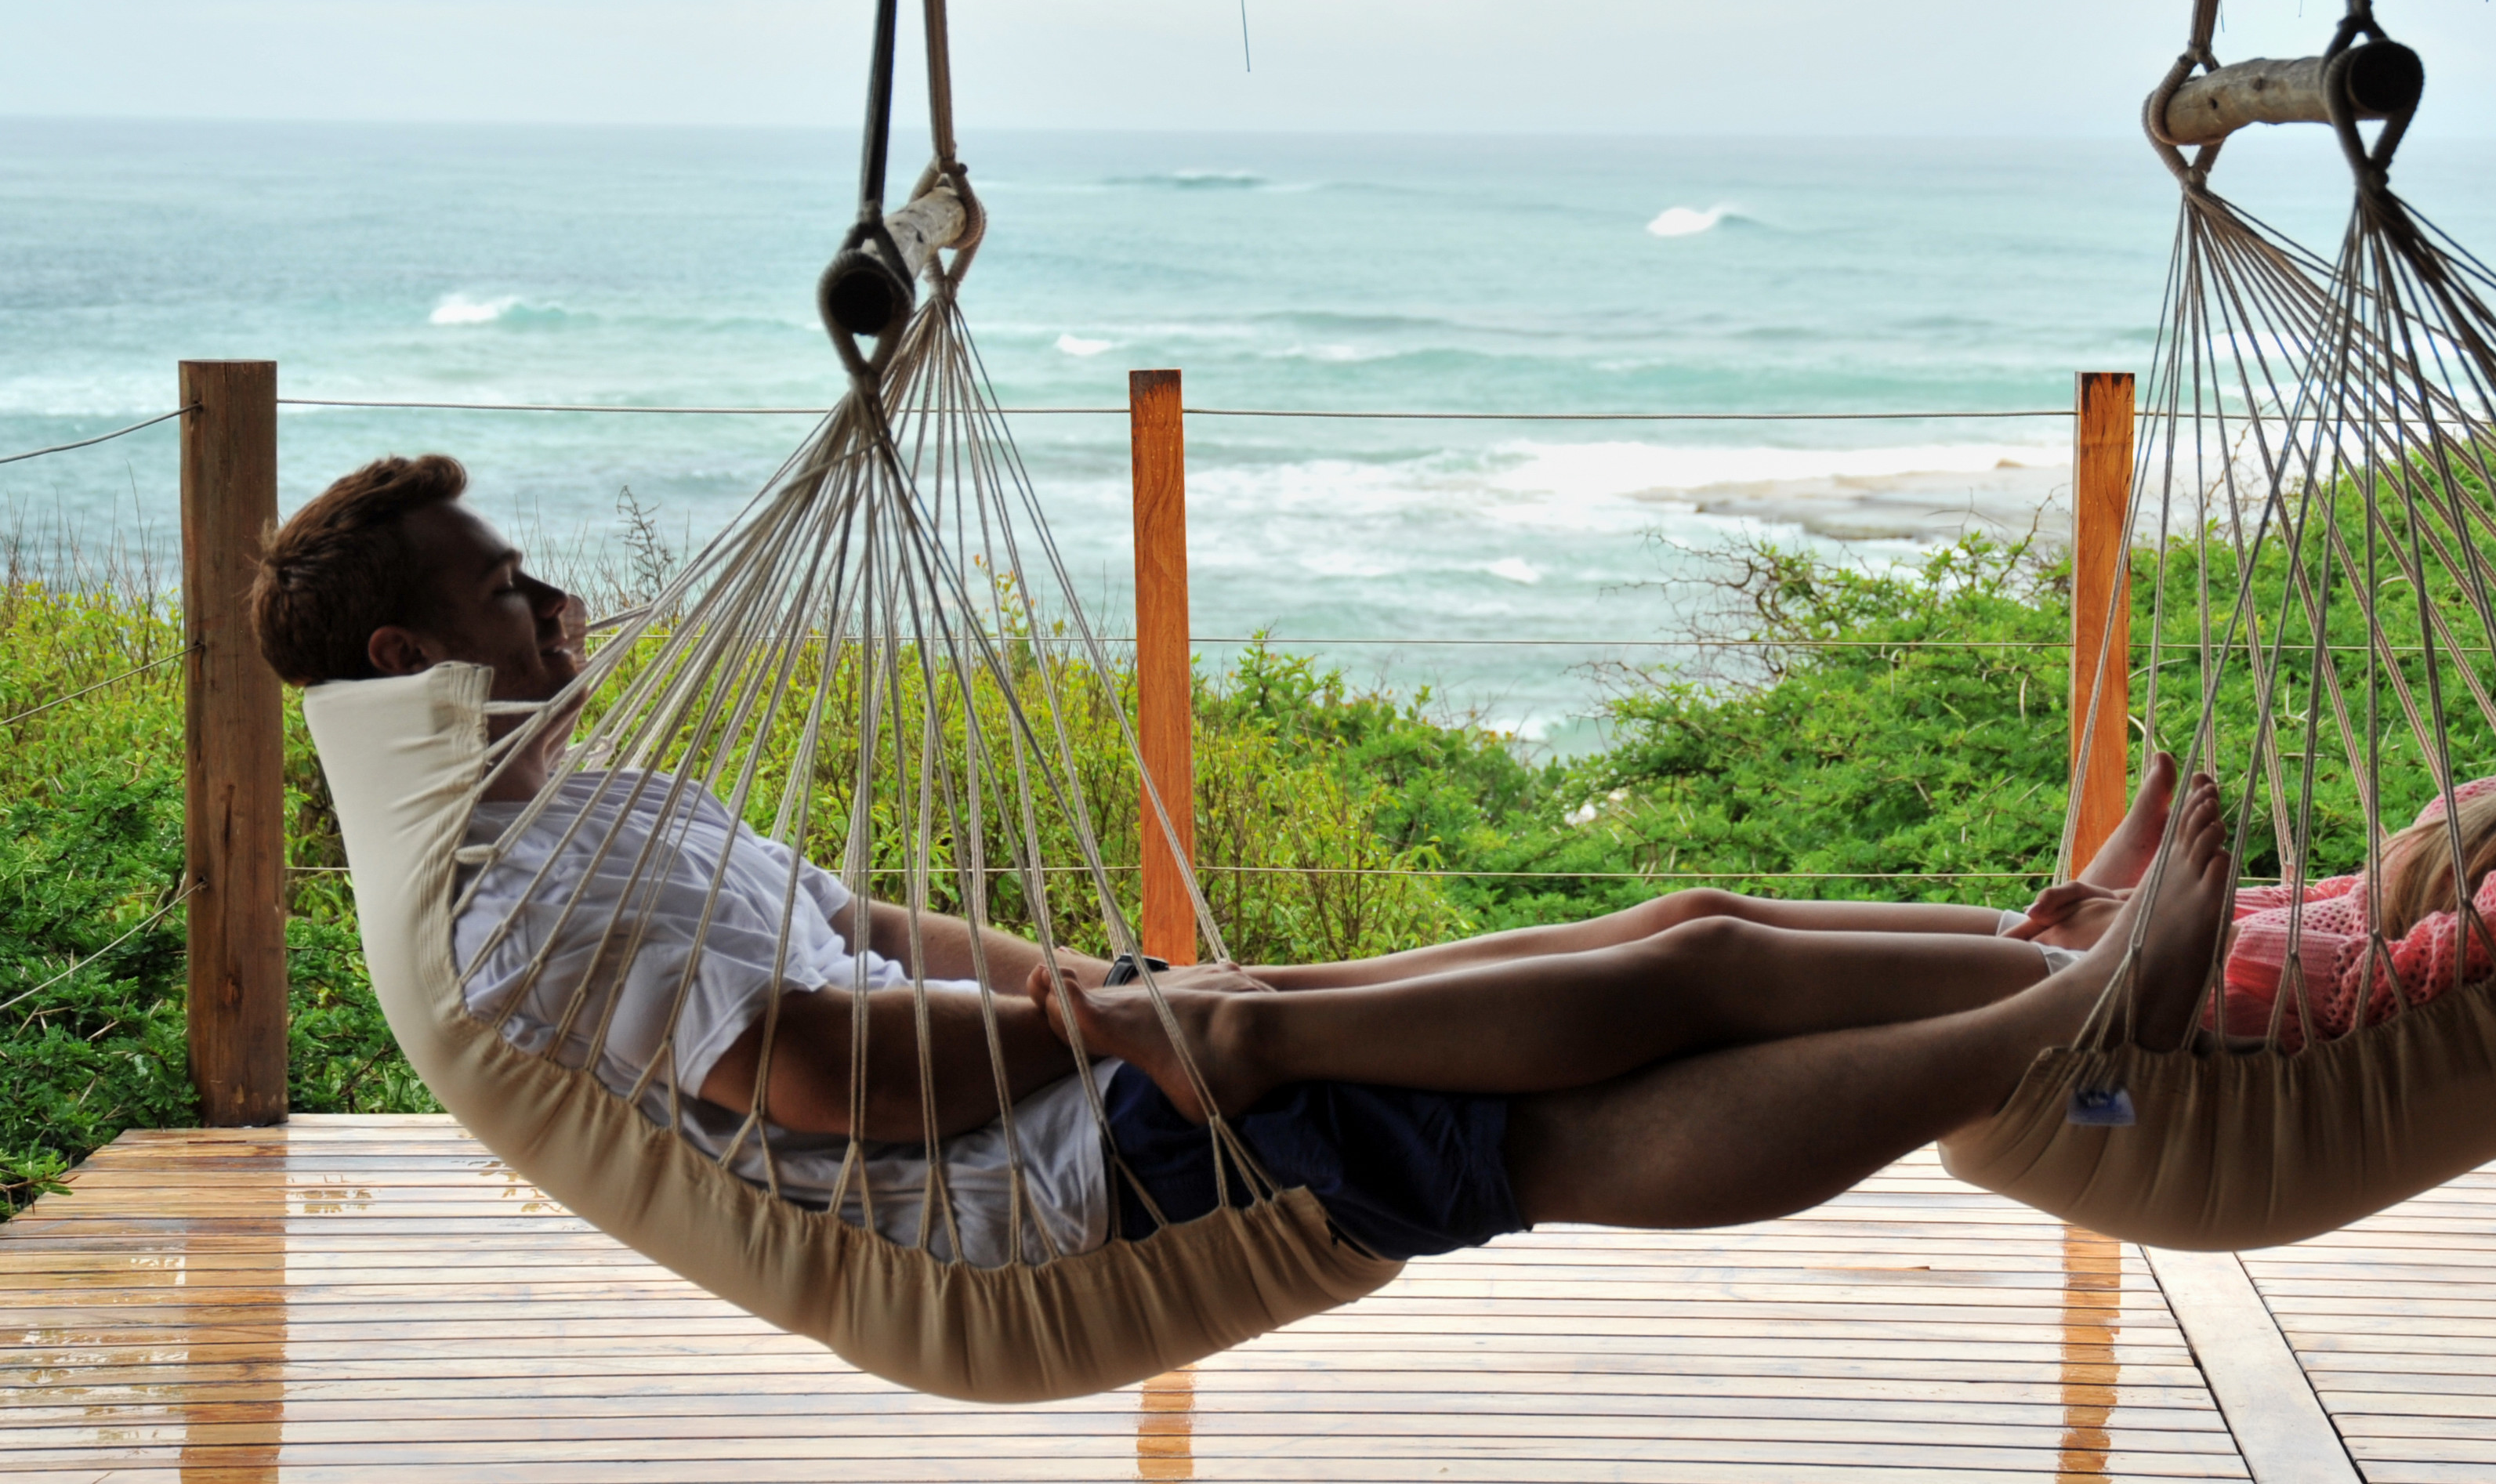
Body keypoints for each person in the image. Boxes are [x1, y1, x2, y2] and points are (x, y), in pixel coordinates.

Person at [253, 454, 2233, 1272]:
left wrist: (1063, 969)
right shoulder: (522, 906)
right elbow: (829, 1073)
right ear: (407, 662)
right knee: (1549, 1123)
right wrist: (1087, 1017)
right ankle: (2068, 1011)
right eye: (508, 585)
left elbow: (859, 926)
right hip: (1047, 1169)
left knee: (1678, 931)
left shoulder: (589, 808)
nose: (562, 598)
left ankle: (2029, 944)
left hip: (1081, 1070)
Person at [2007, 458, 2496, 1043]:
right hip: (2247, 965)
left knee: (1968, 969)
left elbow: (2452, 964)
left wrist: (2206, 940)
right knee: (1987, 943)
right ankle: (2108, 915)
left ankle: (2105, 934)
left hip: (2267, 1011)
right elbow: (2371, 898)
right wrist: (2188, 914)